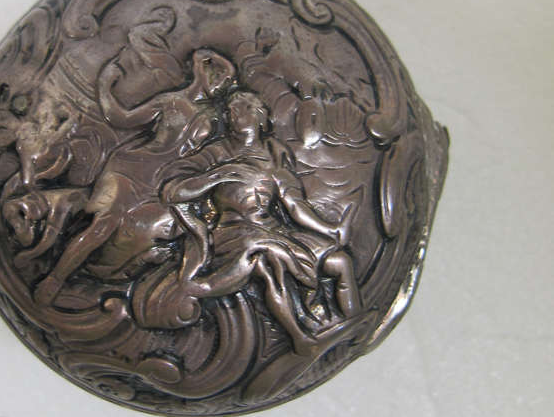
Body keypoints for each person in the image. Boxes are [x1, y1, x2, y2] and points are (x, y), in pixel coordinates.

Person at [159, 91, 362, 356]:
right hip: (233, 233)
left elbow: (295, 206)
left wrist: (330, 229)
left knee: (340, 262)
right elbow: (173, 193)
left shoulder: (275, 154)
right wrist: (218, 175)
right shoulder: (216, 152)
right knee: (268, 258)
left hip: (272, 229)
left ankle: (354, 325)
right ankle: (300, 338)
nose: (233, 115)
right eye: (230, 111)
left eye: (241, 109)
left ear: (259, 115)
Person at [33, 48, 235, 305]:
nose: (220, 85)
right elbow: (121, 117)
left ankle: (113, 279)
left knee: (155, 233)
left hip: (162, 182)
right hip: (131, 169)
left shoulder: (214, 117)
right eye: (218, 76)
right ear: (202, 72)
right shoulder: (170, 101)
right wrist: (105, 85)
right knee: (104, 224)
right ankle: (55, 278)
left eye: (224, 81)